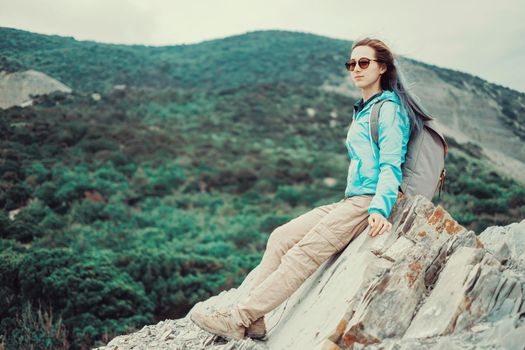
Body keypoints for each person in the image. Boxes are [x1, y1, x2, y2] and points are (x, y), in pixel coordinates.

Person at [189, 37, 428, 341]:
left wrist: (380, 209)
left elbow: (390, 165)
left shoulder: (389, 110)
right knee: (281, 238)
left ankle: (239, 318)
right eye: (351, 63)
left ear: (382, 67)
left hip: (368, 201)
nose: (356, 68)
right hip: (351, 199)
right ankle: (256, 317)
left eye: (363, 63)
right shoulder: (365, 108)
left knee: (302, 253)